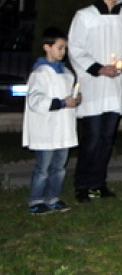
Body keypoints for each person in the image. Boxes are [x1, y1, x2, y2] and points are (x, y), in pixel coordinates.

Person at [68, 0, 122, 203]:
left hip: (115, 85)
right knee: (92, 137)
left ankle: (98, 184)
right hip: (93, 86)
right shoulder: (85, 16)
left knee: (107, 138)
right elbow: (76, 48)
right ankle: (82, 185)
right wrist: (99, 68)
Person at [23, 26, 80, 214]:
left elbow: (71, 95)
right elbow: (35, 100)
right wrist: (62, 103)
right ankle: (36, 199)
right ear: (47, 47)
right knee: (43, 168)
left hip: (63, 129)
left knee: (59, 167)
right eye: (60, 47)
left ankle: (52, 197)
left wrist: (76, 99)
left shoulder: (67, 74)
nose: (63, 52)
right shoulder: (40, 74)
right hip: (46, 130)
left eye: (65, 48)